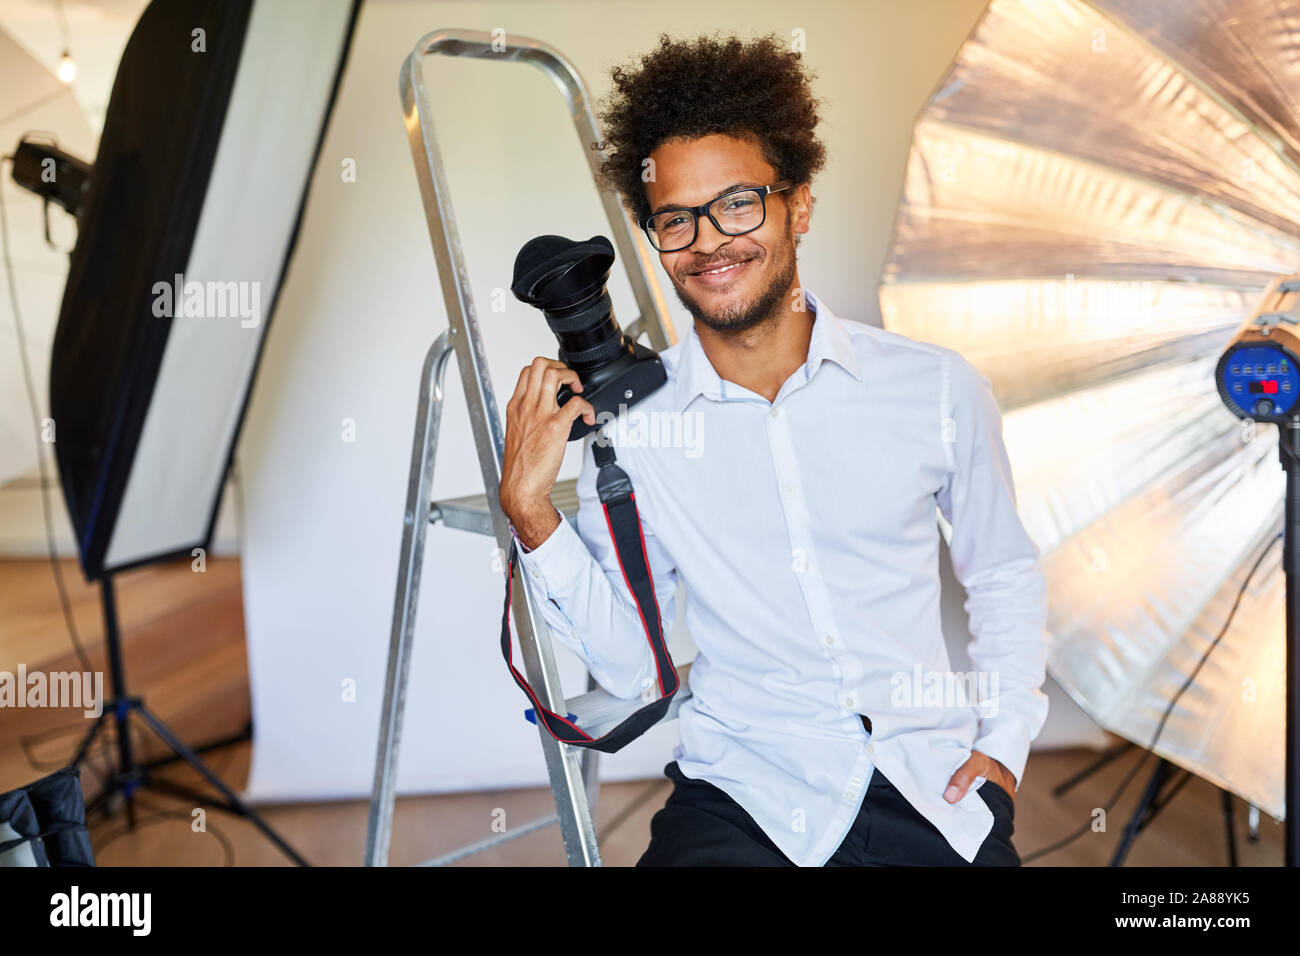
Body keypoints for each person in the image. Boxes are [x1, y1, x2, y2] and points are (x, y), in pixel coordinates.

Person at [499, 32, 1048, 866]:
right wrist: (531, 514)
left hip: (929, 785)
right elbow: (629, 668)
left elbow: (1002, 572)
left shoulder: (934, 389)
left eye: (739, 204)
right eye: (675, 219)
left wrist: (1005, 746)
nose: (709, 242)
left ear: (798, 202)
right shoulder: (636, 428)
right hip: (744, 792)